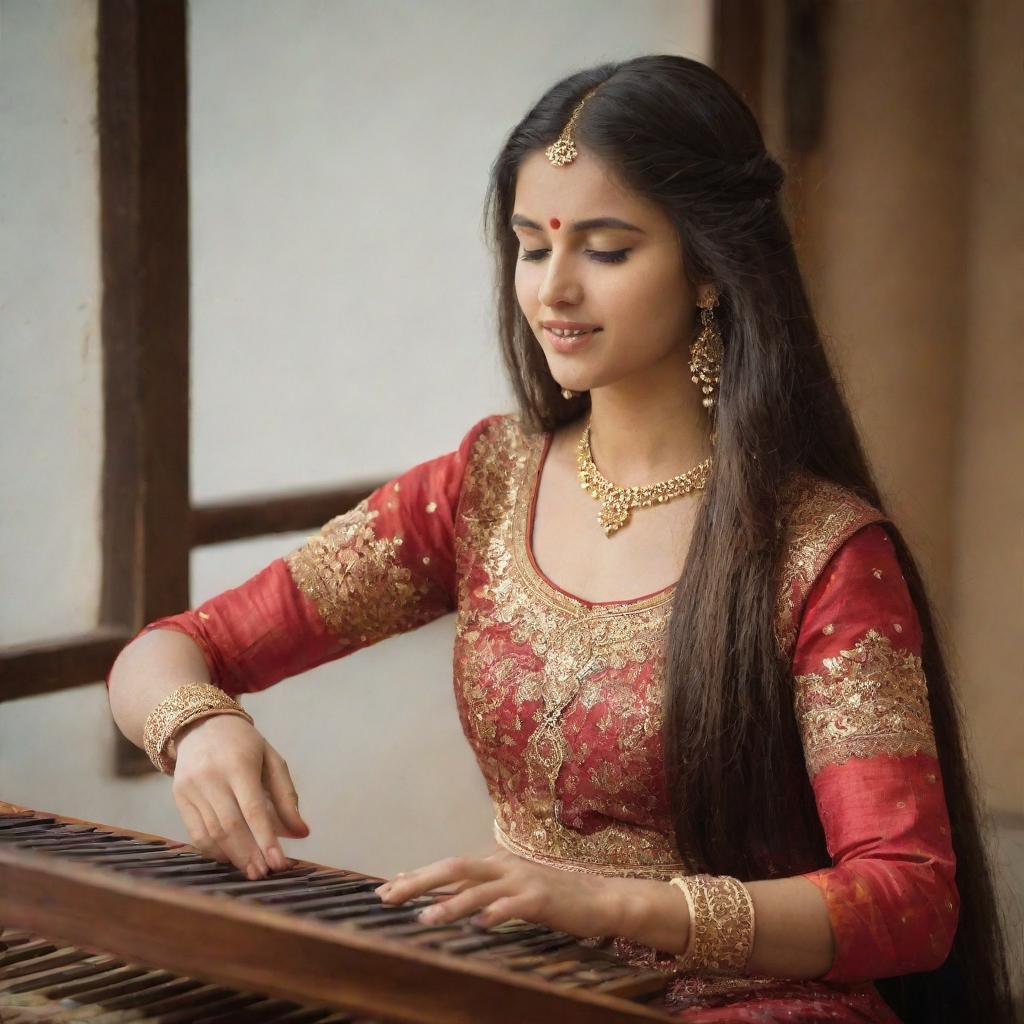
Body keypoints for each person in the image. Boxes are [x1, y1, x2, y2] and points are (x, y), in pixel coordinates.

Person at [106, 55, 1015, 1023]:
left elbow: (908, 900)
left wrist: (619, 906)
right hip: (524, 985)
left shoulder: (817, 551)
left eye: (606, 249)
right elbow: (171, 649)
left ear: (710, 265)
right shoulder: (485, 486)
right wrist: (198, 724)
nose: (553, 290)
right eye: (532, 247)